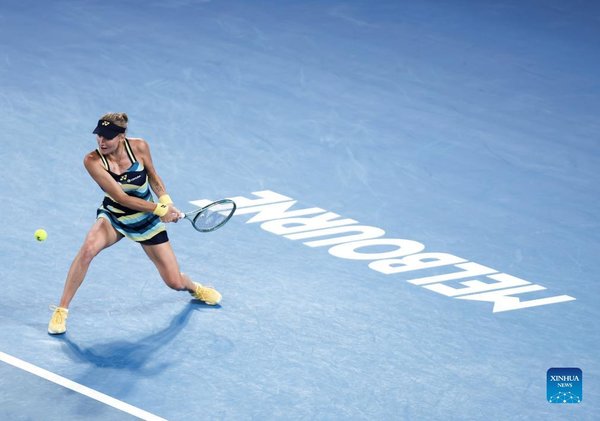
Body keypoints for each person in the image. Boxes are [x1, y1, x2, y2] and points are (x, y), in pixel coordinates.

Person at [48, 112, 221, 335]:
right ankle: (62, 310)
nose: (102, 141)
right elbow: (122, 198)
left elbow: (153, 176)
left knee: (174, 282)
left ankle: (194, 287)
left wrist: (166, 201)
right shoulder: (92, 161)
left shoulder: (139, 147)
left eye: (108, 137)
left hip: (147, 221)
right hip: (115, 217)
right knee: (87, 250)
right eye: (99, 135)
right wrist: (160, 210)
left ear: (121, 136)